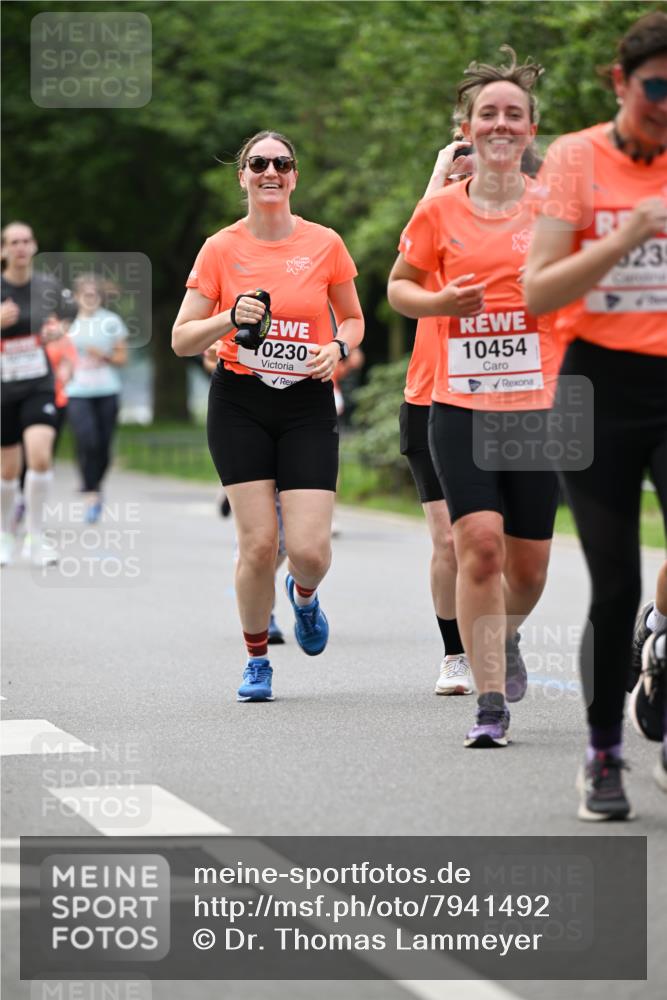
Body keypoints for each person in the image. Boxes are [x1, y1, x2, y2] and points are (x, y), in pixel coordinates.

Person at [388, 49, 562, 747]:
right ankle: (489, 703)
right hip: (457, 403)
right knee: (477, 547)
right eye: (486, 112)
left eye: (512, 114)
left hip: (540, 403)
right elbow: (400, 287)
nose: (499, 123)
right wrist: (441, 300)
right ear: (466, 126)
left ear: (528, 130)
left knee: (527, 567)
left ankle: (503, 638)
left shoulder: (557, 209)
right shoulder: (437, 212)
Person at [524, 11, 667, 818]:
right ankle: (602, 755)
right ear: (620, 82)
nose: (666, 104)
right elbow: (539, 288)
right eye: (656, 88)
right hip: (595, 389)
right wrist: (627, 236)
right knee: (611, 584)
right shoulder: (578, 158)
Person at [172, 130, 364, 702]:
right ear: (243, 176)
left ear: (295, 175)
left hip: (306, 402)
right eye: (258, 163)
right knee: (258, 544)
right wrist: (229, 317)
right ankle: (257, 660)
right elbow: (183, 339)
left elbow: (351, 318)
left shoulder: (325, 243)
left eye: (281, 163)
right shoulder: (220, 248)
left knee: (309, 549)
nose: (270, 172)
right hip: (239, 401)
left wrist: (340, 347)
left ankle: (303, 597)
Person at [399, 139, 475, 696]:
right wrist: (439, 170)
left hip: (499, 399)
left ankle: (498, 635)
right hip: (429, 400)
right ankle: (455, 654)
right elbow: (414, 238)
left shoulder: (515, 222)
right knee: (448, 540)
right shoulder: (434, 229)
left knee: (505, 543)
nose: (465, 158)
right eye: (458, 149)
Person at [1, 221, 71, 567]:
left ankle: (36, 536)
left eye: (26, 241)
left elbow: (66, 318)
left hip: (38, 381)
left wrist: (59, 329)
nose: (20, 247)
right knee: (7, 470)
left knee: (40, 456)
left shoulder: (47, 286)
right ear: (4, 250)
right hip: (3, 385)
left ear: (34, 245)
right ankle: (4, 535)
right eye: (13, 242)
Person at [66, 273, 129, 523]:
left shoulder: (112, 321)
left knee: (103, 444)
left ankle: (96, 486)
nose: (90, 299)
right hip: (76, 390)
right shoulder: (67, 323)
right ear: (76, 297)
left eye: (94, 294)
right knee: (86, 439)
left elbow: (122, 359)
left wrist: (103, 355)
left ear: (100, 297)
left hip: (106, 389)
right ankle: (89, 490)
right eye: (85, 294)